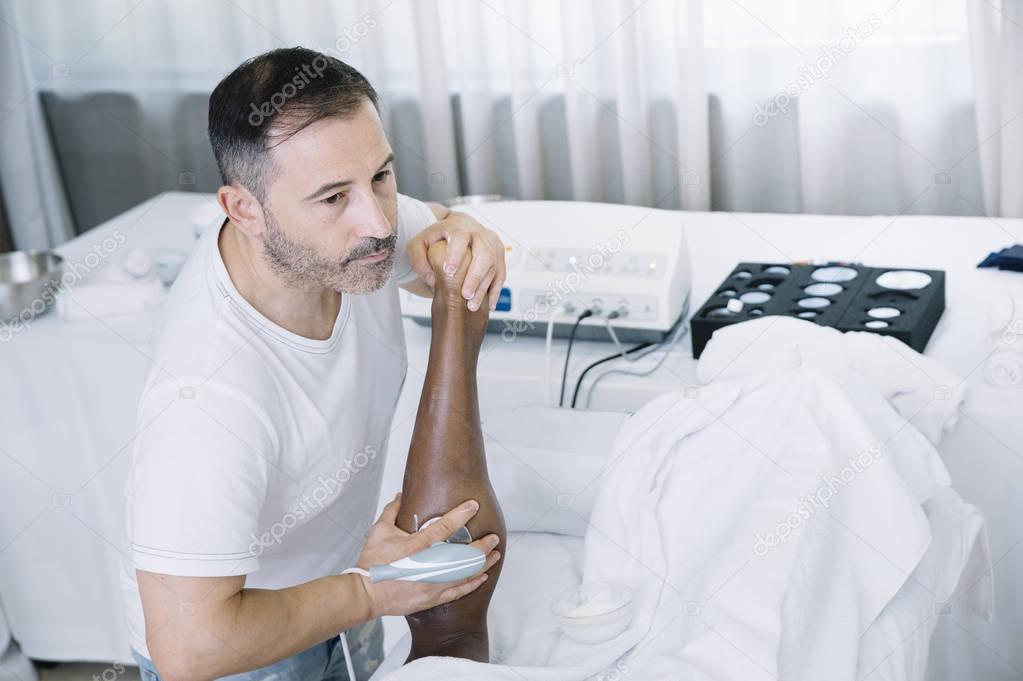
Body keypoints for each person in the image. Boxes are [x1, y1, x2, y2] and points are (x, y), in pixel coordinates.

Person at [121, 46, 506, 681]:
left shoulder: (351, 238)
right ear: (244, 210)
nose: (378, 222)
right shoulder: (207, 401)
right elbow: (189, 648)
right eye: (332, 197)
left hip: (346, 598)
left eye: (381, 175)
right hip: (239, 652)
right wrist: (368, 591)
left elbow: (434, 239)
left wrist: (465, 231)